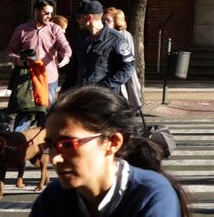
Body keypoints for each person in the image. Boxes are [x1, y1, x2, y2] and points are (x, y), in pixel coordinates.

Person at [29, 85, 189, 217]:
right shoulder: (53, 197)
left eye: (68, 145)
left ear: (113, 142)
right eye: (50, 145)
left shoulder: (151, 195)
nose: (54, 159)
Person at [6, 0, 73, 104]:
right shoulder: (22, 29)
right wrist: (18, 60)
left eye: (51, 13)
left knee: (47, 112)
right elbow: (10, 51)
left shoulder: (55, 29)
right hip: (28, 78)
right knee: (26, 113)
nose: (49, 16)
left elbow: (65, 47)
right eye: (46, 13)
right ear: (36, 11)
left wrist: (66, 57)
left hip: (49, 77)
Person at [62, 1, 134, 99]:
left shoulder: (116, 39)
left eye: (79, 17)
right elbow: (73, 69)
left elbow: (128, 67)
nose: (76, 21)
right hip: (81, 96)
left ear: (89, 18)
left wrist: (106, 87)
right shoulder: (80, 38)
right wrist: (64, 93)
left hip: (104, 99)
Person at [103, 8, 146, 114]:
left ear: (117, 22)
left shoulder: (124, 35)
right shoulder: (103, 35)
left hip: (121, 78)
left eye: (108, 20)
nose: (104, 23)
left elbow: (128, 62)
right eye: (103, 20)